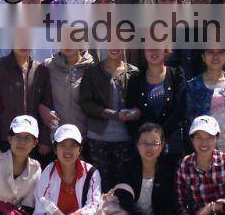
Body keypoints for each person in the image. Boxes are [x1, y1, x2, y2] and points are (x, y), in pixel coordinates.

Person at [32, 124, 101, 215]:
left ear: (79, 149)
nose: (68, 151)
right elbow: (38, 213)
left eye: (73, 146)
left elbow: (94, 205)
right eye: (63, 145)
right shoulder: (47, 173)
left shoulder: (91, 172)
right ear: (55, 150)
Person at [79, 45, 139, 190]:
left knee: (123, 185)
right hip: (99, 137)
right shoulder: (92, 72)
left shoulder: (134, 72)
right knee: (100, 185)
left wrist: (137, 111)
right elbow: (86, 104)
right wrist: (114, 115)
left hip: (125, 137)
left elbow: (139, 101)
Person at [0, 48, 51, 157]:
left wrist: (44, 140)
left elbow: (46, 105)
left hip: (32, 140)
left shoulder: (41, 70)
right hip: (6, 139)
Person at [126, 47, 187, 166]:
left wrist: (159, 135)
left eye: (157, 48)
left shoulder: (177, 74)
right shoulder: (135, 79)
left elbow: (180, 110)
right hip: (144, 144)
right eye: (149, 49)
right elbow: (130, 111)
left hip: (171, 143)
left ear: (165, 51)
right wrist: (145, 137)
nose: (153, 52)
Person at [186, 49, 225, 157]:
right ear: (203, 57)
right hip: (205, 148)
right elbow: (189, 119)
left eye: (220, 52)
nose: (215, 56)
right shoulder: (193, 85)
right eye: (210, 52)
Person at [43, 45, 95, 138]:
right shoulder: (48, 66)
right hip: (56, 136)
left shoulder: (92, 67)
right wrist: (42, 108)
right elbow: (38, 97)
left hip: (84, 136)